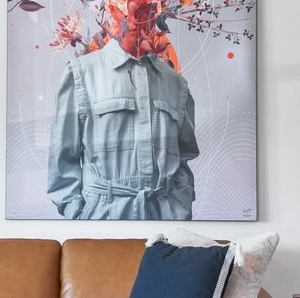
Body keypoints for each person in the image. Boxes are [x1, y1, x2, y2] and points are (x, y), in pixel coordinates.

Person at [46, 38, 198, 220]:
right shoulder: (82, 71)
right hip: (101, 218)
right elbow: (62, 157)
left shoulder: (175, 82)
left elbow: (183, 157)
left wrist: (180, 207)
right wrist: (78, 216)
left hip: (164, 218)